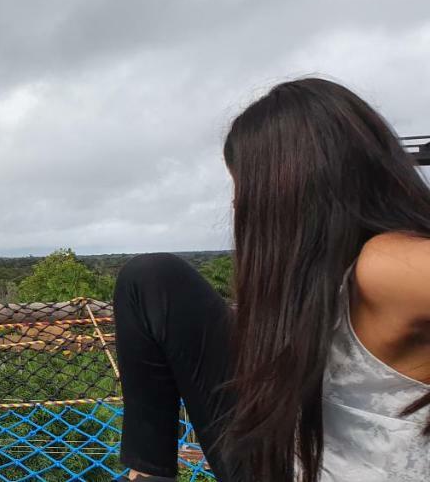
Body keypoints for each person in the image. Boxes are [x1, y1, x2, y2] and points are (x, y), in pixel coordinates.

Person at [115, 77, 430, 482]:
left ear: (283, 189)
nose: (236, 203)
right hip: (286, 446)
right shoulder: (323, 278)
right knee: (154, 280)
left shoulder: (385, 264)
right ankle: (149, 473)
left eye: (244, 186)